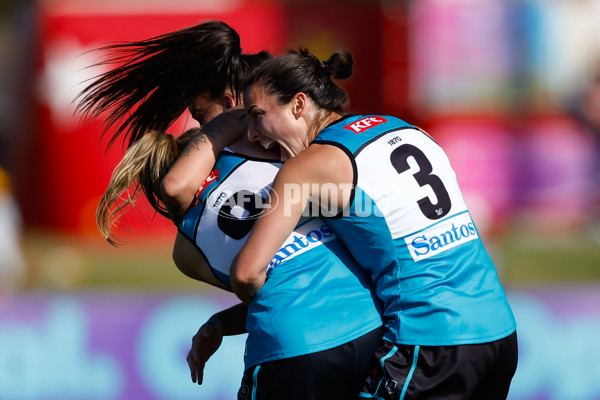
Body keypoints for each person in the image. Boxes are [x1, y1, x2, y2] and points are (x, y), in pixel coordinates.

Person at [78, 21, 383, 399]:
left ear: (229, 105)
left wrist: (221, 324)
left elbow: (262, 289)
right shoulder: (277, 149)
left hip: (294, 343)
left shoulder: (186, 249)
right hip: (367, 322)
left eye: (202, 117)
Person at [231, 47, 518, 399]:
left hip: (428, 342)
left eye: (257, 115)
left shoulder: (308, 166)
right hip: (499, 331)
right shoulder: (403, 128)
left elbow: (247, 272)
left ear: (298, 104)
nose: (251, 134)